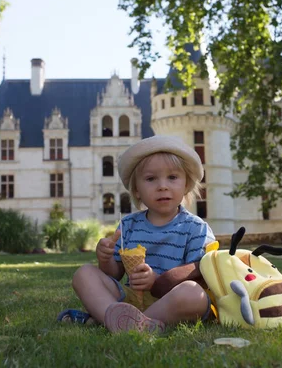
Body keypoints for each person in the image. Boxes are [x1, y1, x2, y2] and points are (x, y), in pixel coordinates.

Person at [58, 135, 216, 334]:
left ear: (186, 185)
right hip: (130, 297)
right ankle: (127, 320)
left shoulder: (196, 228)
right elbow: (113, 274)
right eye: (151, 179)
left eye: (172, 177)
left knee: (194, 294)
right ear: (137, 190)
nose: (162, 186)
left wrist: (157, 281)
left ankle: (112, 320)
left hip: (171, 300)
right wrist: (105, 258)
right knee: (84, 274)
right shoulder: (128, 225)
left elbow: (201, 275)